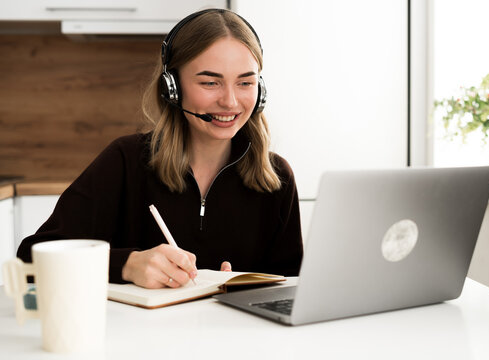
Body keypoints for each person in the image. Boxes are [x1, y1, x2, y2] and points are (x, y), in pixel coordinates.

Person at [16, 9, 303, 289]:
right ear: (172, 88)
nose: (229, 101)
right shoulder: (125, 161)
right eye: (210, 82)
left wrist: (246, 287)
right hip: (137, 337)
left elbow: (293, 291)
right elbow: (31, 257)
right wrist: (127, 265)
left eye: (245, 82)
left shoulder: (278, 178)